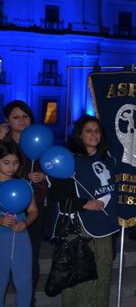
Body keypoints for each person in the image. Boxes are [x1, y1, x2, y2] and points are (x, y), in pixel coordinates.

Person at [48, 115, 119, 307]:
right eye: (88, 130)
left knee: (103, 276)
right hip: (80, 228)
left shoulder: (108, 159)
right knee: (82, 281)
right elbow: (56, 194)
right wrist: (84, 204)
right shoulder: (69, 160)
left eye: (97, 131)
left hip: (105, 227)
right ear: (79, 135)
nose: (94, 134)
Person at [1, 100, 48, 302]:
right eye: (16, 117)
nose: (22, 120)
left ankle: (30, 302)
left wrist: (45, 176)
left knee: (28, 267)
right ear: (7, 121)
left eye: (25, 116)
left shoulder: (41, 142)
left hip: (31, 208)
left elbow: (53, 165)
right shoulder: (4, 141)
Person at [0, 141, 38, 307]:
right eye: (6, 163)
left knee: (24, 282)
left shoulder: (23, 184)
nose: (11, 168)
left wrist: (25, 222)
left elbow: (33, 211)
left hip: (20, 237)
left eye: (15, 163)